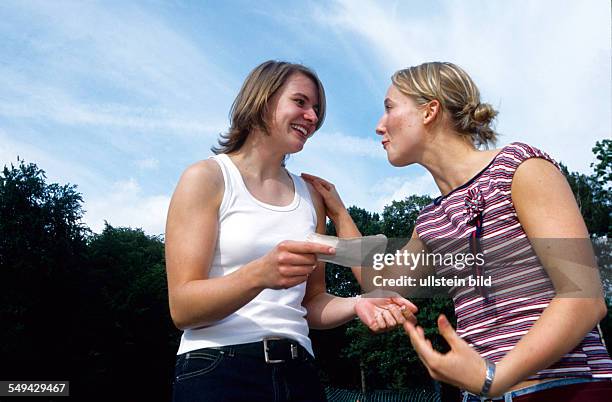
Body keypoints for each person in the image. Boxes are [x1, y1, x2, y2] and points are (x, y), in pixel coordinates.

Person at [302, 61, 612, 401]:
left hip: (570, 387)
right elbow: (381, 284)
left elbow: (584, 299)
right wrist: (339, 213)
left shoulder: (520, 168)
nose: (379, 126)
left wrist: (495, 377)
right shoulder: (433, 219)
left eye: (389, 108)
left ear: (429, 111)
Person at [165, 60, 417, 402]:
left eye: (316, 109)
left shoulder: (312, 197)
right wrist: (259, 273)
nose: (312, 117)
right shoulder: (206, 178)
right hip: (217, 369)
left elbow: (311, 302)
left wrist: (358, 303)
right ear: (262, 99)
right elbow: (183, 308)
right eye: (300, 102)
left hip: (300, 374)